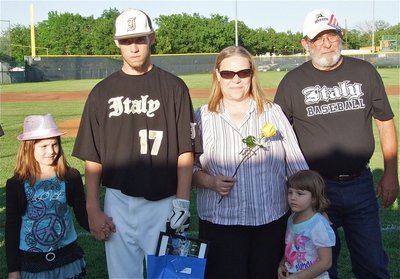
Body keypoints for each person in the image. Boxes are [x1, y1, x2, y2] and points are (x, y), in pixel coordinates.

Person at [72, 8, 200, 279]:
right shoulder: (101, 92)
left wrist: (182, 201)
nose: (133, 47)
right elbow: (92, 157)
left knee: (171, 276)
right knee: (122, 276)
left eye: (139, 39)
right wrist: (92, 207)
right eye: (127, 41)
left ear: (152, 38)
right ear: (117, 43)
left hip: (165, 201)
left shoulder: (175, 87)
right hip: (118, 202)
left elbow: (185, 151)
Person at [274, 9, 399, 279]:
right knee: (320, 267)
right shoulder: (292, 82)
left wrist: (390, 173)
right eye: (318, 38)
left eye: (332, 35)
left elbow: (385, 121)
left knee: (373, 265)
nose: (327, 43)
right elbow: (279, 135)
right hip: (316, 189)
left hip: (360, 185)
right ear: (305, 43)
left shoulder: (363, 71)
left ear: (341, 36)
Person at [192, 45, 309, 279]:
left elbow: (297, 167)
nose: (235, 80)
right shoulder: (201, 117)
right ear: (217, 75)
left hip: (270, 223)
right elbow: (188, 168)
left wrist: (313, 211)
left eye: (243, 73)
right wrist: (210, 181)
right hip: (220, 225)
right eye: (227, 74)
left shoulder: (273, 113)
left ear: (252, 75)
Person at [5, 113, 90, 279]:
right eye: (43, 146)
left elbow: (82, 214)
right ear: (29, 148)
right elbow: (12, 228)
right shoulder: (16, 184)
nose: (51, 151)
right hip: (32, 265)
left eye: (54, 144)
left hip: (67, 260)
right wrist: (13, 269)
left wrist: (100, 226)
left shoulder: (70, 177)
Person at [278, 170, 335, 279]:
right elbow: (290, 246)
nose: (293, 197)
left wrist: (298, 277)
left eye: (299, 193)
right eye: (290, 192)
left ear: (314, 198)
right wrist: (282, 264)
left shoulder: (318, 224)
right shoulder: (292, 218)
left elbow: (326, 262)